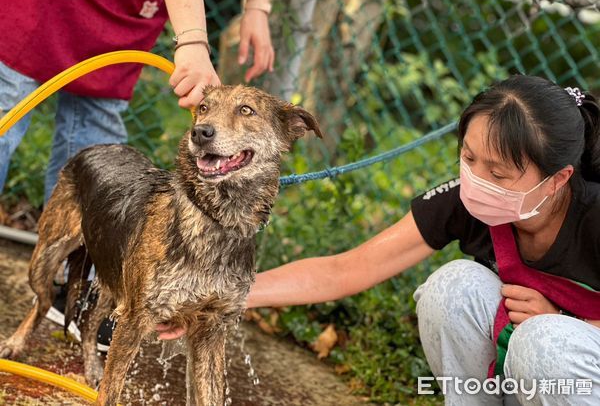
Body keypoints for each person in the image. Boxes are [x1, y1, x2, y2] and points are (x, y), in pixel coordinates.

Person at [156, 75, 600, 405]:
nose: (476, 179)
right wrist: (218, 296)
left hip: (574, 361)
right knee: (453, 287)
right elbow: (350, 268)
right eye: (468, 157)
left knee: (546, 342)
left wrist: (570, 323)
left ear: (558, 179)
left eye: (498, 172)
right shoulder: (469, 201)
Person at [0, 0, 274, 203]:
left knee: (95, 161)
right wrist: (192, 40)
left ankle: (73, 257)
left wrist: (257, 4)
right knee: (6, 108)